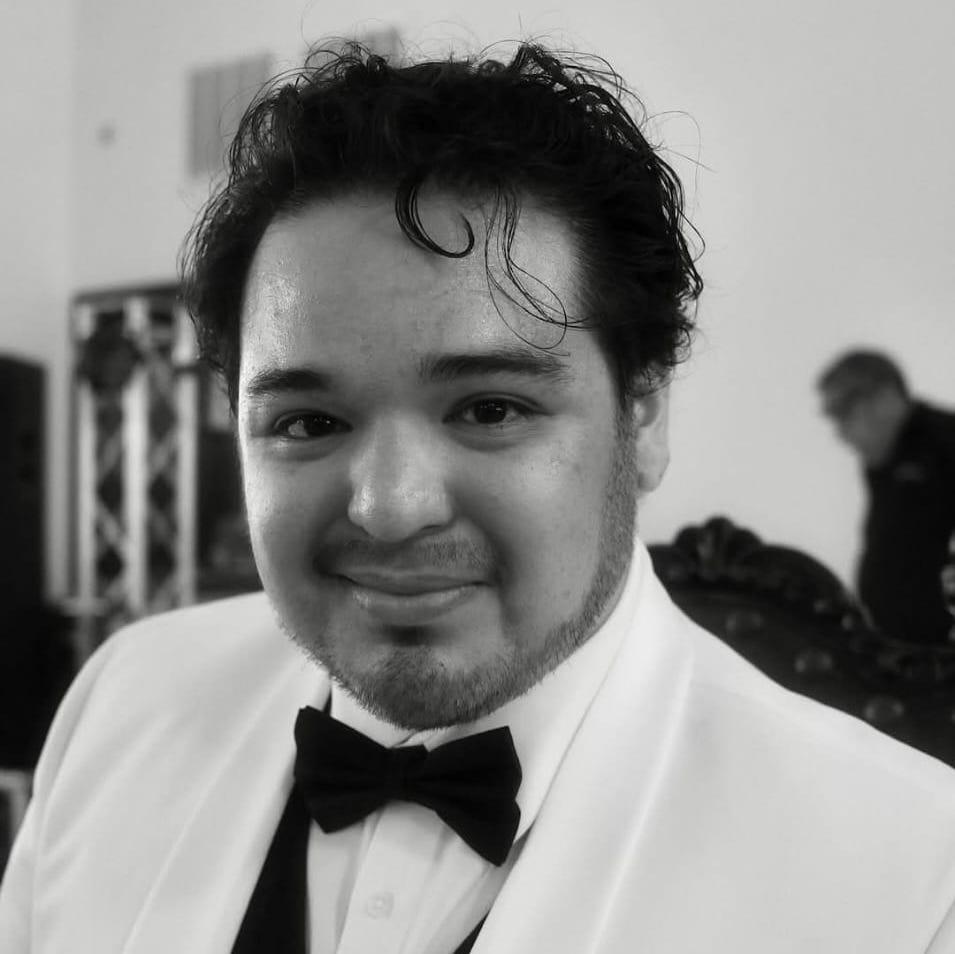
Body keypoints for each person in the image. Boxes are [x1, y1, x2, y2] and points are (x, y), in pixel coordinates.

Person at [5, 41, 955, 954]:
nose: (389, 507)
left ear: (643, 414)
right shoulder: (121, 706)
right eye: (307, 422)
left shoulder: (912, 881)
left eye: (489, 409)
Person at [818, 350, 955, 644]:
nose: (840, 432)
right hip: (895, 649)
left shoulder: (945, 441)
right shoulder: (882, 461)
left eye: (844, 412)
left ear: (885, 396)